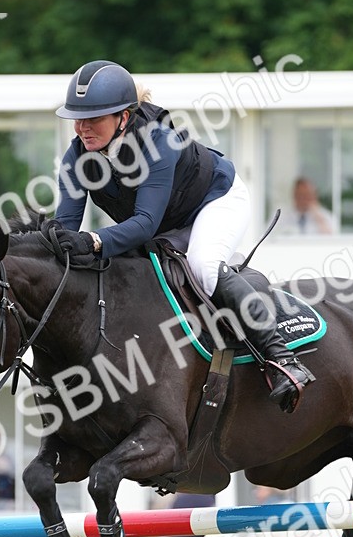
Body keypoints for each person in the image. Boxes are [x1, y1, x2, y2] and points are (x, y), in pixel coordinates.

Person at [53, 60, 313, 413]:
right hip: (162, 223)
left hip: (214, 201)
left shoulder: (158, 142)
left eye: (93, 118)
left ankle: (283, 359)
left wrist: (95, 241)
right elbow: (66, 225)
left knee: (204, 267)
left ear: (124, 118)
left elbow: (144, 224)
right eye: (77, 118)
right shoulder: (76, 157)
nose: (82, 128)